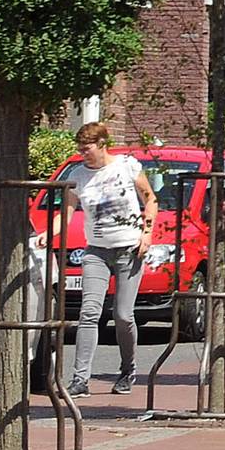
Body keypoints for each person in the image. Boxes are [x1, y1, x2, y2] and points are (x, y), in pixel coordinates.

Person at [62, 122, 158, 396]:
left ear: (102, 144)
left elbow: (151, 199)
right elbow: (66, 213)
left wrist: (146, 234)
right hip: (96, 251)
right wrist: (49, 233)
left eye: (87, 148)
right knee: (89, 313)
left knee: (123, 315)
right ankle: (80, 379)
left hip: (129, 249)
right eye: (80, 148)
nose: (83, 153)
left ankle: (128, 369)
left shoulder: (126, 166)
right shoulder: (77, 175)